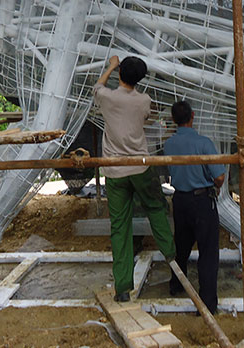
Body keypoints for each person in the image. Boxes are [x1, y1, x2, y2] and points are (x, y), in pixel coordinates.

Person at [93, 55, 175, 302]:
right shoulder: (144, 101)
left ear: (120, 74)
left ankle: (122, 289)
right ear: (139, 79)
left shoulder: (106, 97)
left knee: (119, 227)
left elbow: (97, 86)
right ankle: (174, 261)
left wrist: (110, 66)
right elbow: (147, 117)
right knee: (157, 209)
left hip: (114, 171)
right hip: (140, 167)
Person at [163, 100, 226, 314]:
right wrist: (215, 183)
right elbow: (218, 177)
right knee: (208, 252)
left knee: (181, 246)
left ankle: (176, 285)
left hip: (180, 200)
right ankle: (207, 304)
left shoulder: (169, 144)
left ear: (173, 120)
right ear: (193, 116)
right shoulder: (204, 143)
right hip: (201, 201)